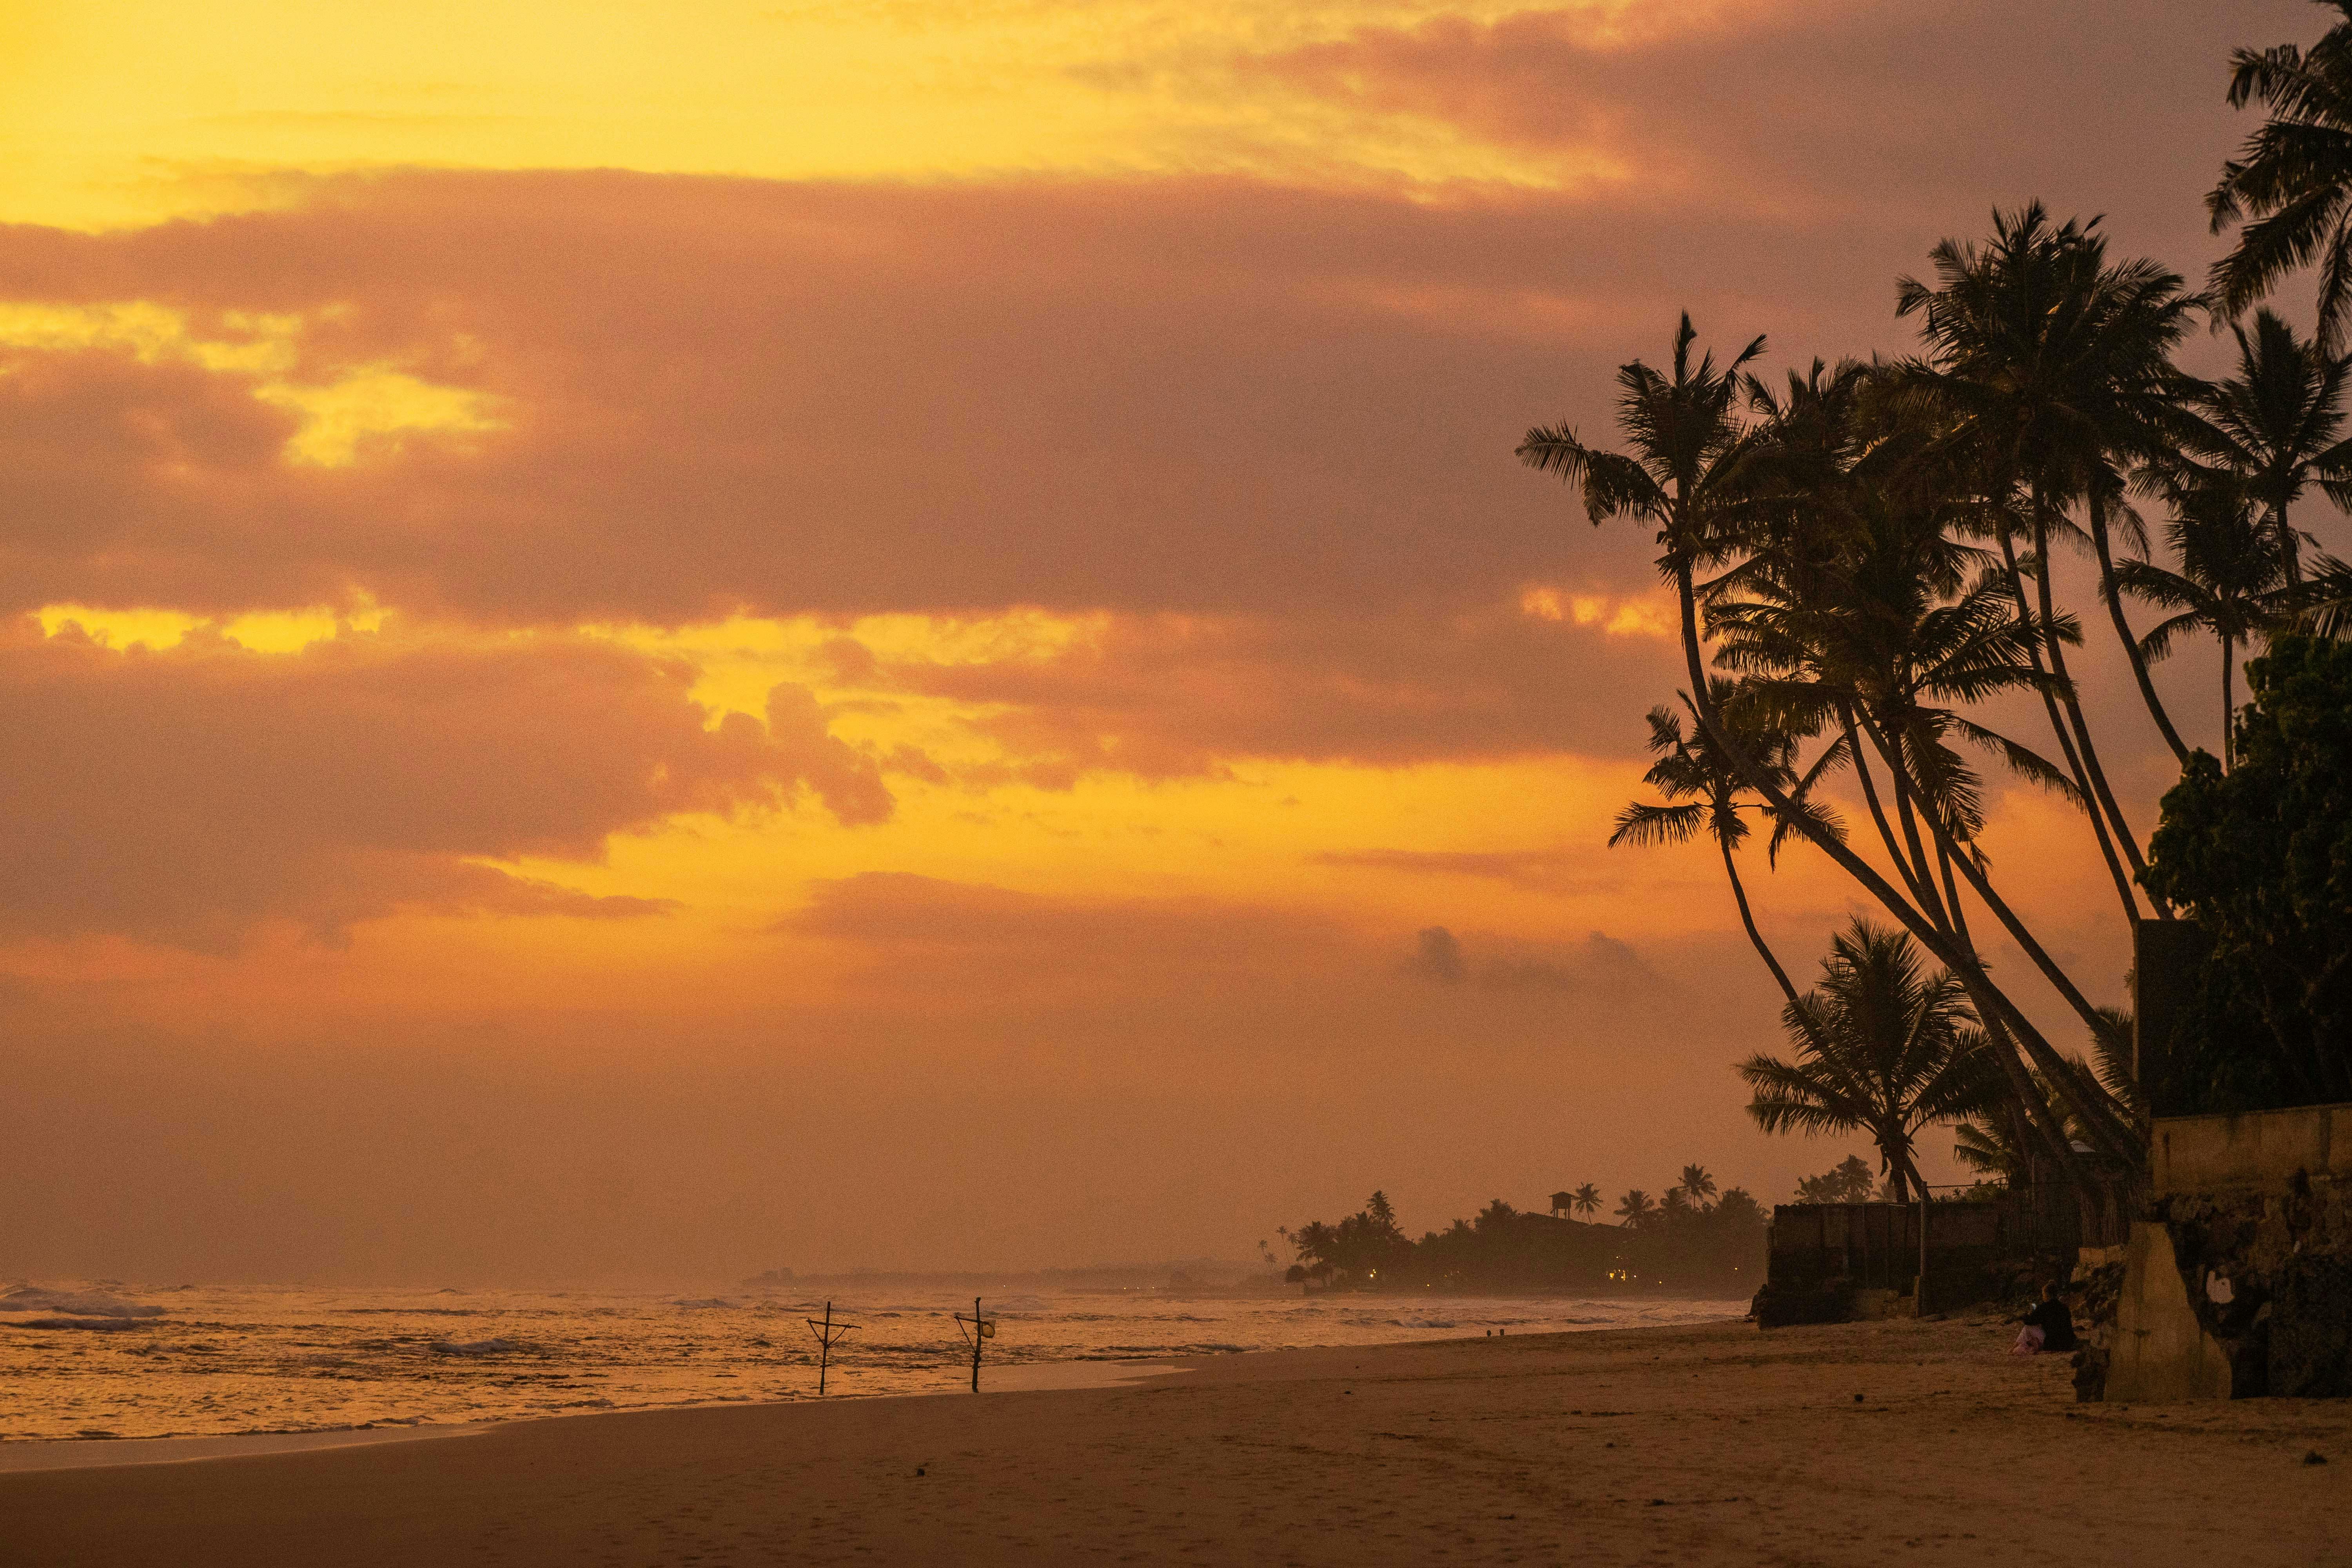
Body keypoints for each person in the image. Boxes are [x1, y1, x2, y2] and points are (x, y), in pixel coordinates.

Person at [2011, 1282, 2077, 1356]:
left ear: (2047, 1295)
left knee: (2027, 1328)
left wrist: (2026, 1315)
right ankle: (2020, 1346)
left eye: (2043, 1294)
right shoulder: (2064, 1307)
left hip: (2053, 1344)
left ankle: (2014, 1347)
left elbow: (2030, 1321)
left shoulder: (2044, 1307)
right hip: (2069, 1343)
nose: (2043, 1297)